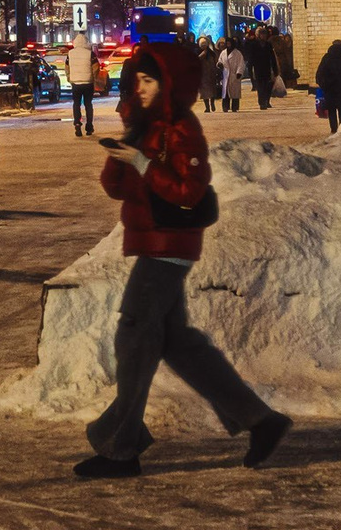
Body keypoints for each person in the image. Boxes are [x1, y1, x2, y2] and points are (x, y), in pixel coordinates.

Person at [75, 44, 290, 480]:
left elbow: (188, 192)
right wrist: (124, 154)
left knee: (134, 339)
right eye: (137, 80)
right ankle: (259, 420)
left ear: (168, 85)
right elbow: (117, 190)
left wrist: (142, 161)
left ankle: (121, 447)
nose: (141, 88)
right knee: (177, 344)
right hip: (151, 241)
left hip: (169, 245)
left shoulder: (181, 129)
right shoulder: (147, 125)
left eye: (149, 80)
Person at [315, 38, 341, 133]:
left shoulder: (327, 57)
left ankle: (333, 129)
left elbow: (320, 72)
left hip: (330, 88)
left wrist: (323, 84)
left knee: (331, 110)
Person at [65, 35, 99, 135]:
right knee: (88, 104)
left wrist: (69, 78)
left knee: (76, 104)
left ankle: (77, 123)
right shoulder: (90, 53)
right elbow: (96, 67)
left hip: (76, 83)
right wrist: (94, 78)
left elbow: (67, 67)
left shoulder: (70, 53)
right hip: (88, 83)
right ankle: (89, 126)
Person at [221, 38, 247, 113]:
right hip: (226, 74)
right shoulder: (223, 52)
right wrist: (219, 64)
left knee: (235, 93)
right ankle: (225, 107)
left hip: (234, 74)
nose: (228, 45)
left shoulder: (237, 53)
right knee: (226, 92)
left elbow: (241, 64)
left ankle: (235, 107)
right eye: (227, 43)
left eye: (229, 43)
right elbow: (220, 60)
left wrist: (239, 72)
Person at [198, 38, 221, 113]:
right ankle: (207, 107)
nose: (203, 46)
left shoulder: (211, 53)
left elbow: (215, 62)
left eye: (204, 45)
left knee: (211, 91)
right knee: (205, 92)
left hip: (211, 74)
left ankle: (212, 103)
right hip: (203, 75)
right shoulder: (199, 52)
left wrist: (217, 71)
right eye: (202, 45)